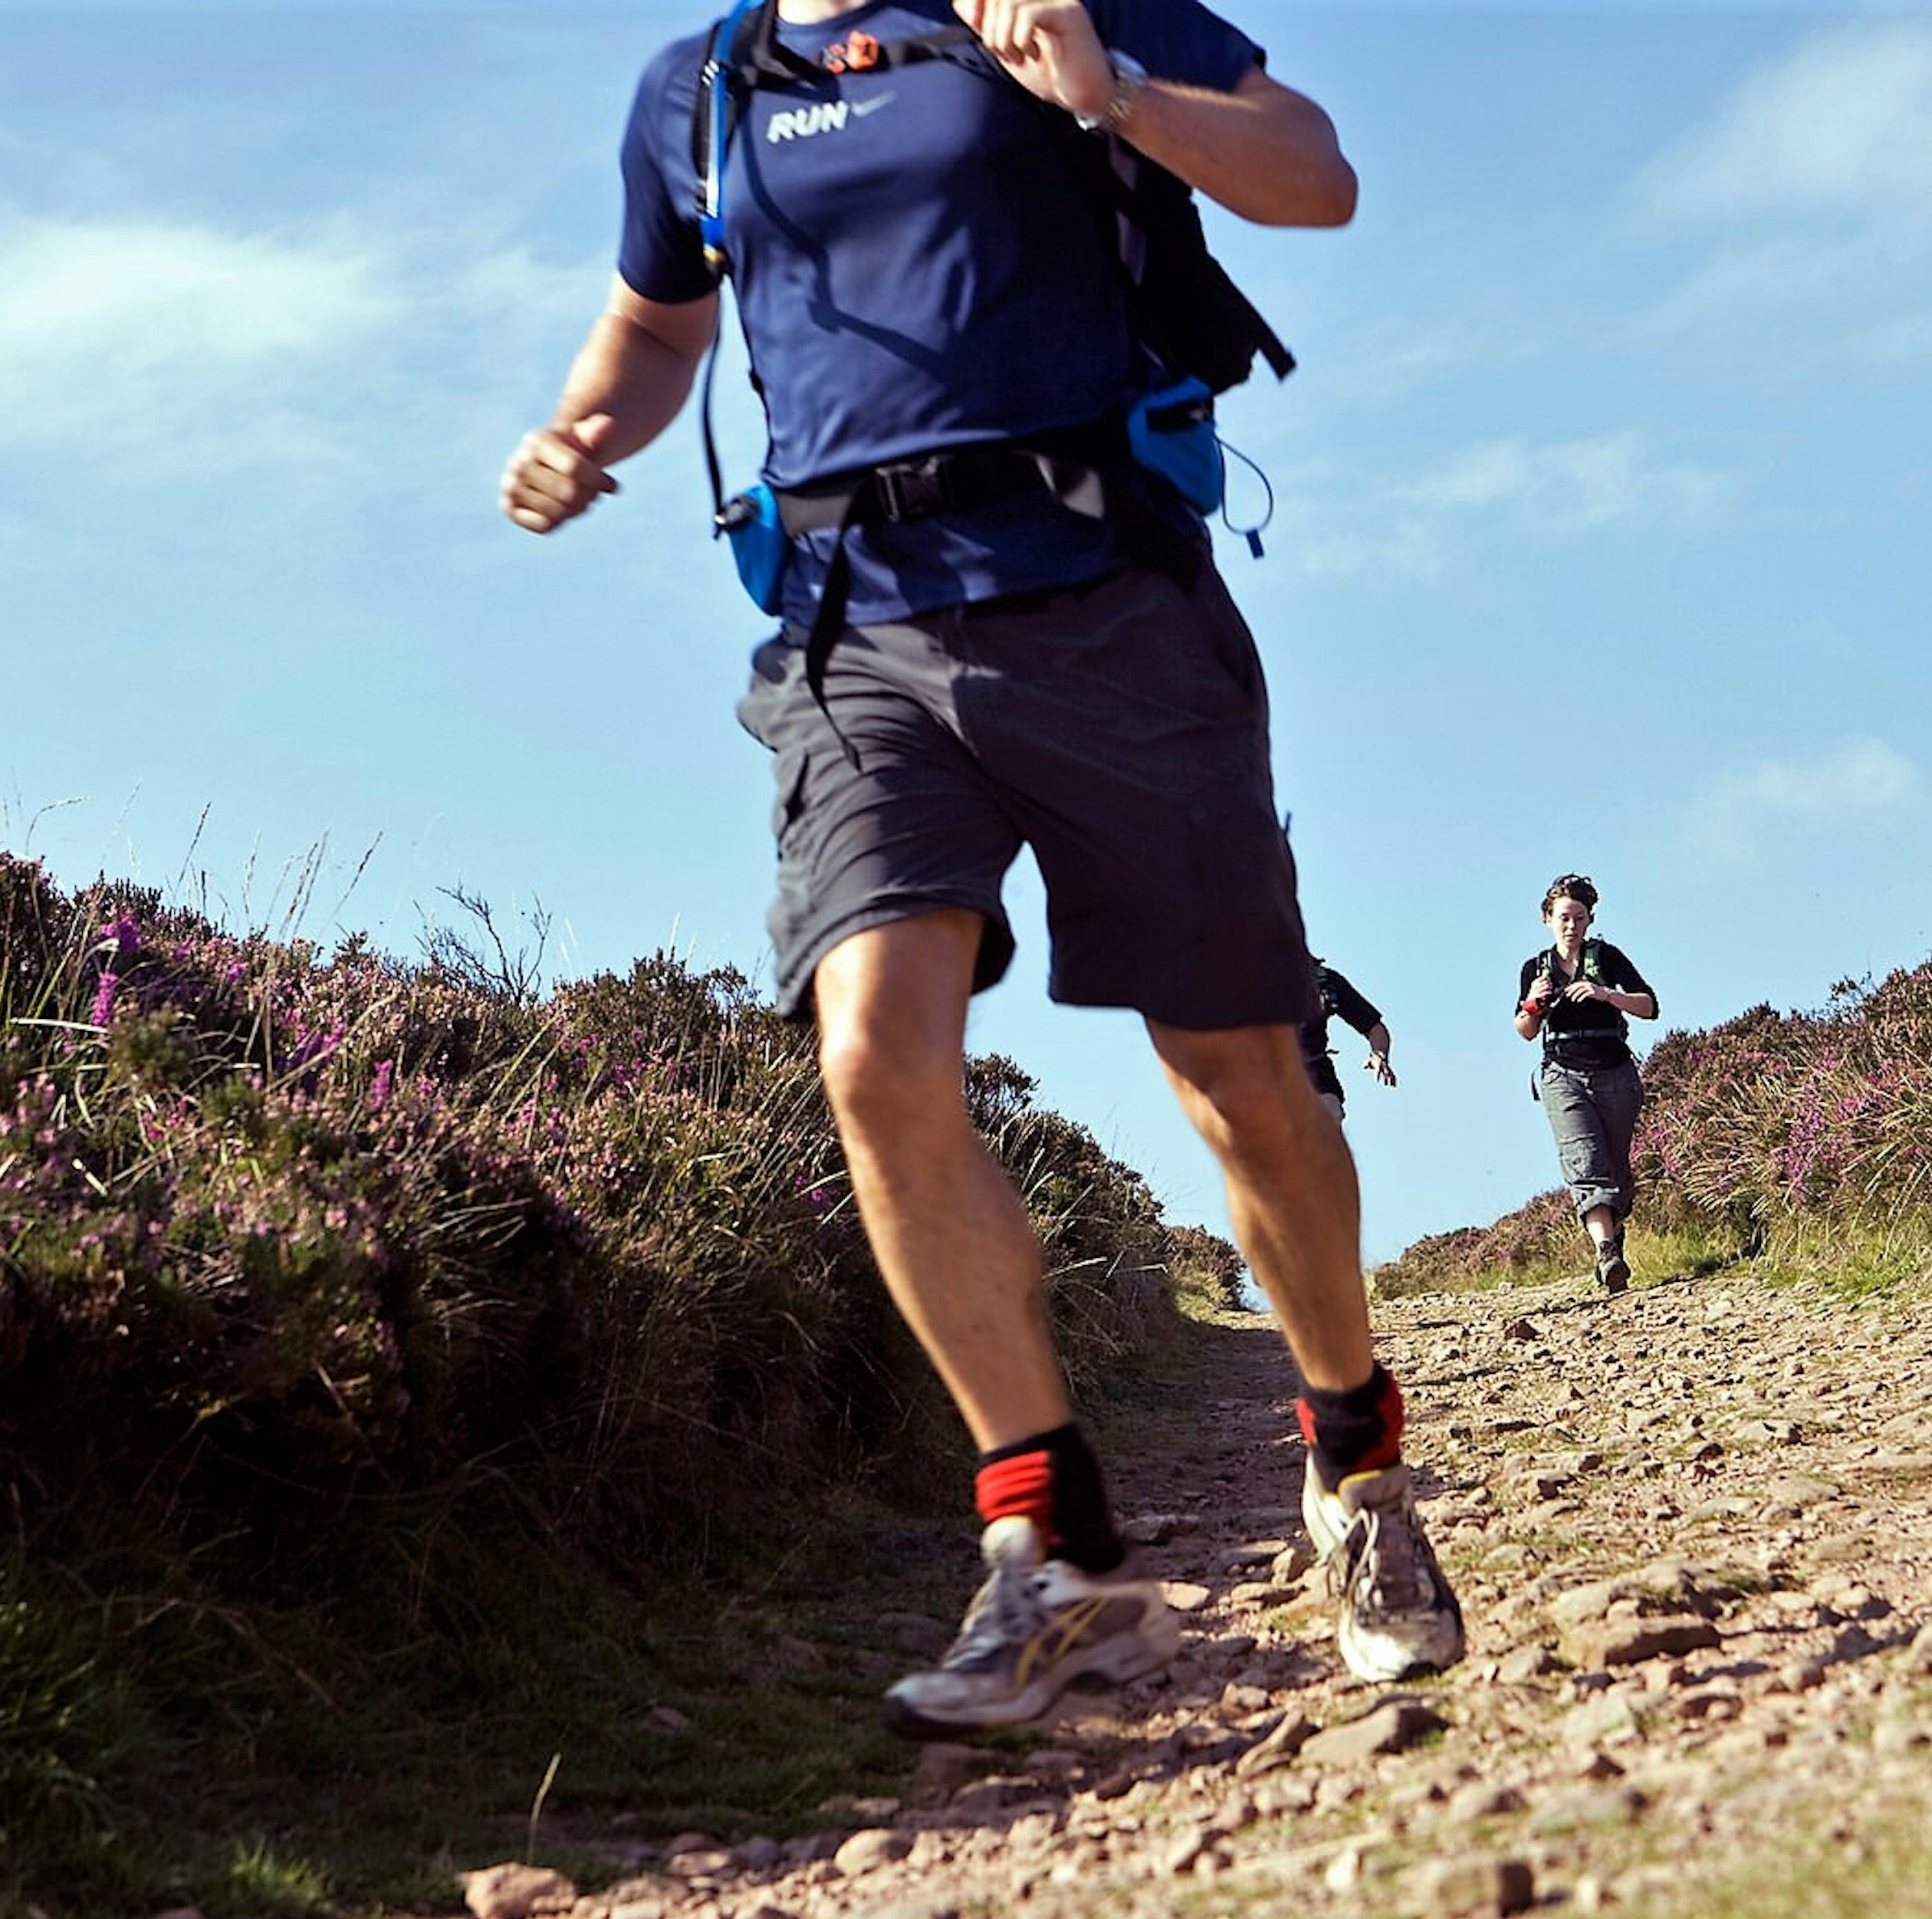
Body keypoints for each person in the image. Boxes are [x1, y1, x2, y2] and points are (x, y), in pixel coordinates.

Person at [500, 0, 1460, 1738]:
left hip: (1102, 597)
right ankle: (1048, 1543)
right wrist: (581, 430)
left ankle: (1353, 1460)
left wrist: (1112, 93)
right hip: (847, 627)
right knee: (872, 1054)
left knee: (1238, 1072)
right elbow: (657, 325)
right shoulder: (704, 86)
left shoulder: (1041, 3)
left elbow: (1312, 177)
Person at [1513, 872, 1659, 1293]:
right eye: (1563, 917)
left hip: (1614, 1071)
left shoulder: (1608, 958)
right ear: (1547, 919)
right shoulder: (1534, 969)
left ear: (1589, 920)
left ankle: (1613, 1232)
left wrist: (1605, 994)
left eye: (1579, 917)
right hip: (1562, 1074)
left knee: (1617, 1170)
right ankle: (1607, 1253)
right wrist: (1533, 1004)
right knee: (1586, 1164)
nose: (1571, 925)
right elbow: (1524, 1029)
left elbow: (1650, 1006)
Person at [1300, 955, 1395, 1122]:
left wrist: (1379, 1055)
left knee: (1329, 1115)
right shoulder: (1249, 981)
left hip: (1316, 1075)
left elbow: (1374, 1028)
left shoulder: (1324, 981)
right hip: (1264, 1077)